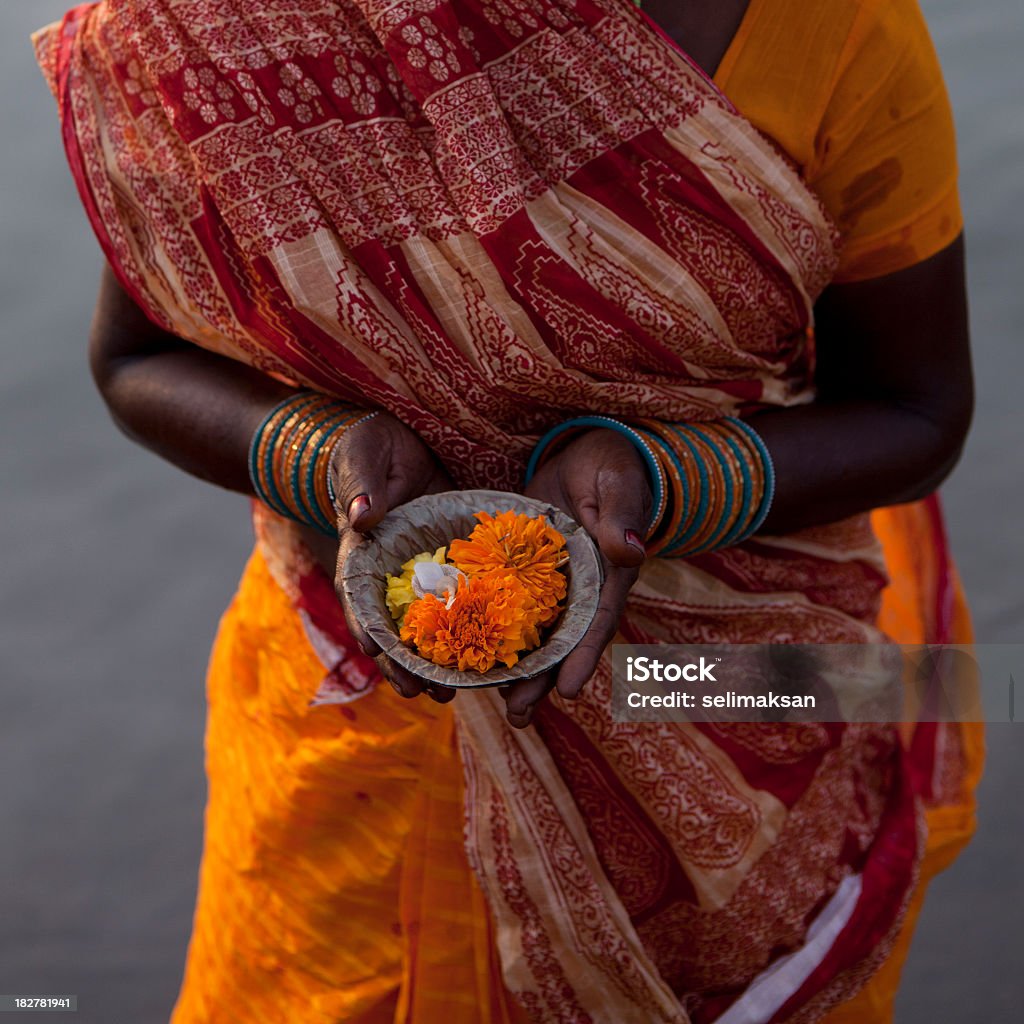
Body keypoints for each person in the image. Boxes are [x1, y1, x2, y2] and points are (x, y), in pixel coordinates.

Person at [33, 0, 983, 1020]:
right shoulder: (221, 27)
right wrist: (327, 457)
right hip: (354, 703)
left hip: (728, 681)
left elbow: (913, 406)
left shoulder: (826, 30)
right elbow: (136, 359)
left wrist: (659, 483)